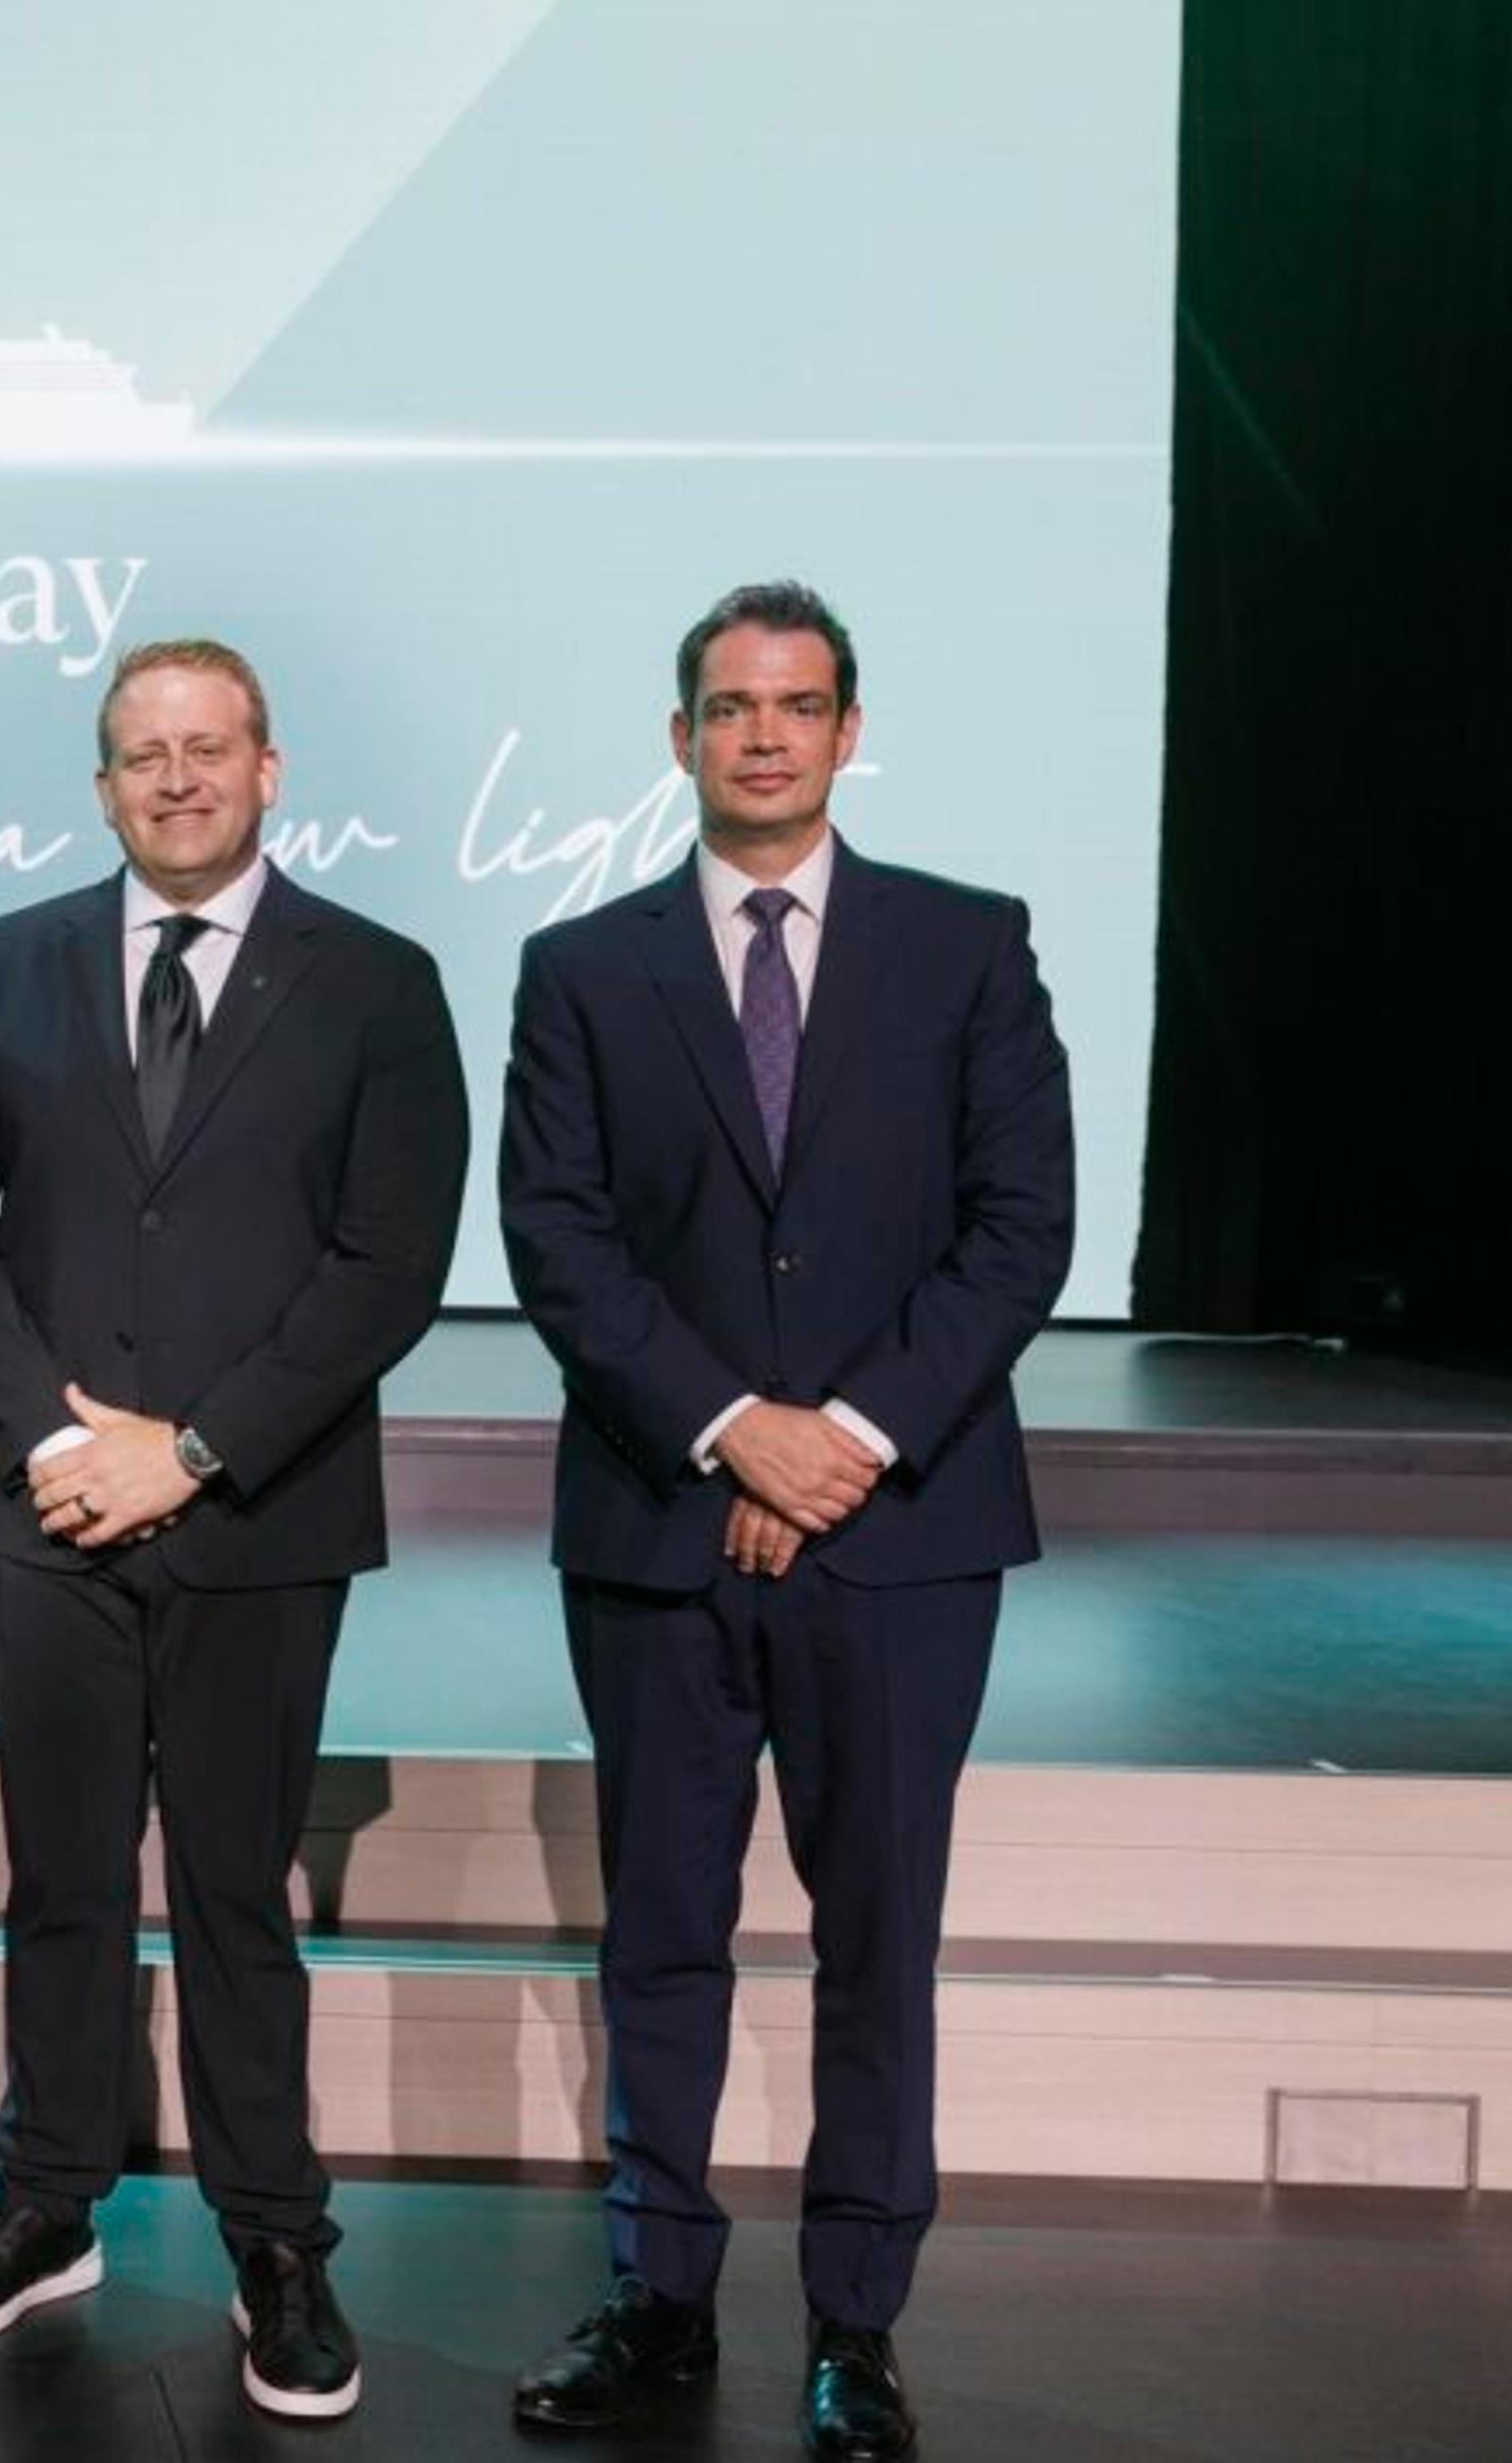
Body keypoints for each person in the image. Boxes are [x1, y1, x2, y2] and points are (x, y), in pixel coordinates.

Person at [498, 581, 1071, 2462]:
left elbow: (1020, 1228)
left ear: (846, 729)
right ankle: (660, 2293)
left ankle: (856, 2320)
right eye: (731, 706)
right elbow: (561, 1244)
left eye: (799, 704)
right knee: (662, 1925)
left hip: (903, 1536)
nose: (765, 734)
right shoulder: (582, 966)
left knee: (875, 1933)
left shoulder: (969, 947)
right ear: (680, 737)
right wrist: (741, 1430)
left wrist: (851, 1436)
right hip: (665, 1527)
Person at [0, 639, 466, 2420]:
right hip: (43, 1502)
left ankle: (274, 2239)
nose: (179, 779)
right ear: (103, 783)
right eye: (145, 754)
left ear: (269, 768)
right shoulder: (6, 964)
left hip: (262, 1513)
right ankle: (47, 2200)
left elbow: (393, 1262)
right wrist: (67, 1435)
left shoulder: (378, 979)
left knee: (234, 1887)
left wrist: (195, 1450)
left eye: (210, 749)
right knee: (59, 1874)